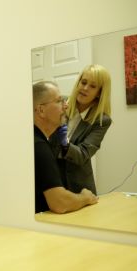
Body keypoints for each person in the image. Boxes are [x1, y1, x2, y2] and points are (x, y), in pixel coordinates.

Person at [33, 81, 98, 213]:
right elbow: (60, 203)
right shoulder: (39, 147)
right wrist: (85, 198)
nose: (65, 106)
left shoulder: (33, 140)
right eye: (59, 101)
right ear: (41, 110)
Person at [50, 64, 112, 194]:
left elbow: (83, 154)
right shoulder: (60, 104)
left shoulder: (101, 121)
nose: (85, 88)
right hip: (51, 182)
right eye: (83, 82)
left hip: (78, 187)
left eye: (93, 86)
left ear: (99, 93)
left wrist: (64, 142)